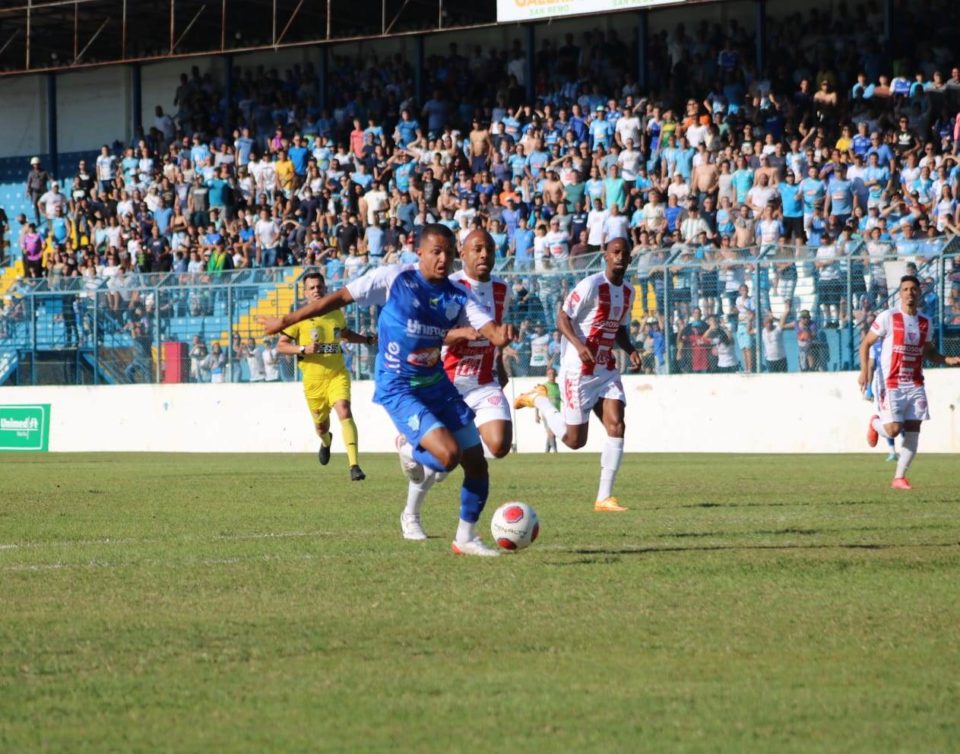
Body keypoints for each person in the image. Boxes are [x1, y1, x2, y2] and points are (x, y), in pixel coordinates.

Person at [261, 224, 515, 556]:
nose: (443, 259)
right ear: (419, 252)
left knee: (476, 462)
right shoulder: (395, 278)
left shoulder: (458, 295)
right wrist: (286, 320)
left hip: (436, 381)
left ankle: (465, 537)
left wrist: (500, 337)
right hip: (398, 384)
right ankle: (410, 449)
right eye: (436, 252)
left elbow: (488, 328)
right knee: (447, 456)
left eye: (449, 253)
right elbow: (337, 298)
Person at [513, 237, 641, 512]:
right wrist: (580, 346)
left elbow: (618, 328)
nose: (619, 257)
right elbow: (562, 317)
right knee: (574, 441)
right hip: (577, 370)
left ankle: (604, 497)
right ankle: (540, 400)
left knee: (617, 426)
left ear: (630, 259)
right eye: (615, 252)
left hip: (605, 369)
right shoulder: (591, 285)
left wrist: (630, 350)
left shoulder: (629, 292)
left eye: (624, 253)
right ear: (605, 256)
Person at [401, 229, 513, 541]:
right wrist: (460, 334)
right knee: (441, 464)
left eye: (489, 248)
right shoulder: (447, 289)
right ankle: (410, 515)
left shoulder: (503, 289)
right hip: (447, 383)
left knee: (500, 445)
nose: (484, 255)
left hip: (483, 381)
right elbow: (426, 333)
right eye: (476, 249)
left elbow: (495, 334)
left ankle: (462, 532)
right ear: (460, 254)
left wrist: (499, 358)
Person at [859, 275, 960, 489]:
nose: (909, 293)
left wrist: (946, 359)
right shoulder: (888, 317)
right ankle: (875, 424)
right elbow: (866, 343)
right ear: (900, 293)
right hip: (891, 382)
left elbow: (929, 352)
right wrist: (863, 373)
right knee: (894, 429)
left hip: (915, 383)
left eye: (913, 289)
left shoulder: (925, 321)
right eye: (905, 289)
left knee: (914, 429)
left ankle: (899, 477)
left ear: (919, 292)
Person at [276, 271, 370, 481]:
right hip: (314, 382)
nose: (316, 290)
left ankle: (354, 465)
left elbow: (345, 335)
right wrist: (302, 348)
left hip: (337, 374)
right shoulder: (299, 317)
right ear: (305, 292)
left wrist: (366, 340)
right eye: (312, 288)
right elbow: (281, 346)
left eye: (319, 286)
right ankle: (326, 441)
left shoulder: (336, 313)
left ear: (325, 288)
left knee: (344, 410)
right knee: (321, 426)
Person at [864, 335, 898, 462]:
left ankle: (905, 452)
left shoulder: (897, 340)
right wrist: (869, 388)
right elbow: (871, 365)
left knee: (903, 421)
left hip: (899, 381)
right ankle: (892, 452)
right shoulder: (875, 345)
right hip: (882, 383)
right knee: (888, 421)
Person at [536, 367, 562, 452]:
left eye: (553, 374)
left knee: (551, 433)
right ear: (547, 375)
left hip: (556, 413)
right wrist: (536, 415)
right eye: (550, 374)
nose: (552, 376)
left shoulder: (558, 387)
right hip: (546, 413)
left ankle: (546, 452)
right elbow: (538, 400)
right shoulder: (544, 387)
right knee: (552, 433)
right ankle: (555, 451)